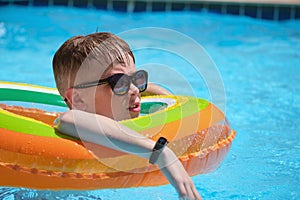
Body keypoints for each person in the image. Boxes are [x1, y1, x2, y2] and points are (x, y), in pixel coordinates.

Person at [52, 32, 201, 200]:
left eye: (137, 79)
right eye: (119, 82)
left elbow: (173, 107)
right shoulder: (71, 126)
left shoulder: (136, 109)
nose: (135, 90)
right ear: (78, 99)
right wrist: (161, 153)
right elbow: (70, 119)